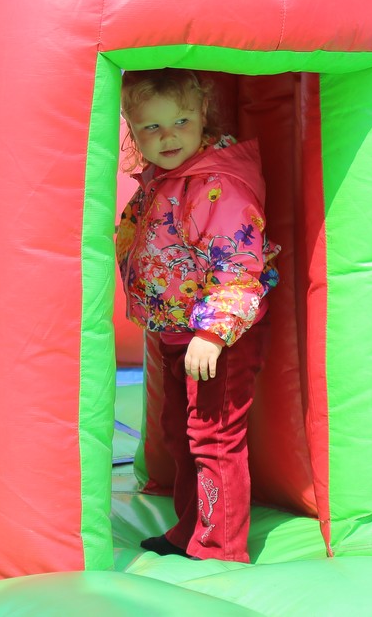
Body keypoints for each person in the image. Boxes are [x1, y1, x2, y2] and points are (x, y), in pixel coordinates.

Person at [116, 68, 279, 562]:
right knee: (178, 435)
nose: (168, 137)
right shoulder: (165, 179)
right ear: (131, 128)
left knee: (213, 436)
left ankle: (219, 545)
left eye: (180, 121)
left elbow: (239, 264)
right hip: (177, 332)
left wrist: (212, 333)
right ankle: (190, 529)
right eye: (151, 127)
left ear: (203, 114)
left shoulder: (216, 186)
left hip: (216, 337)